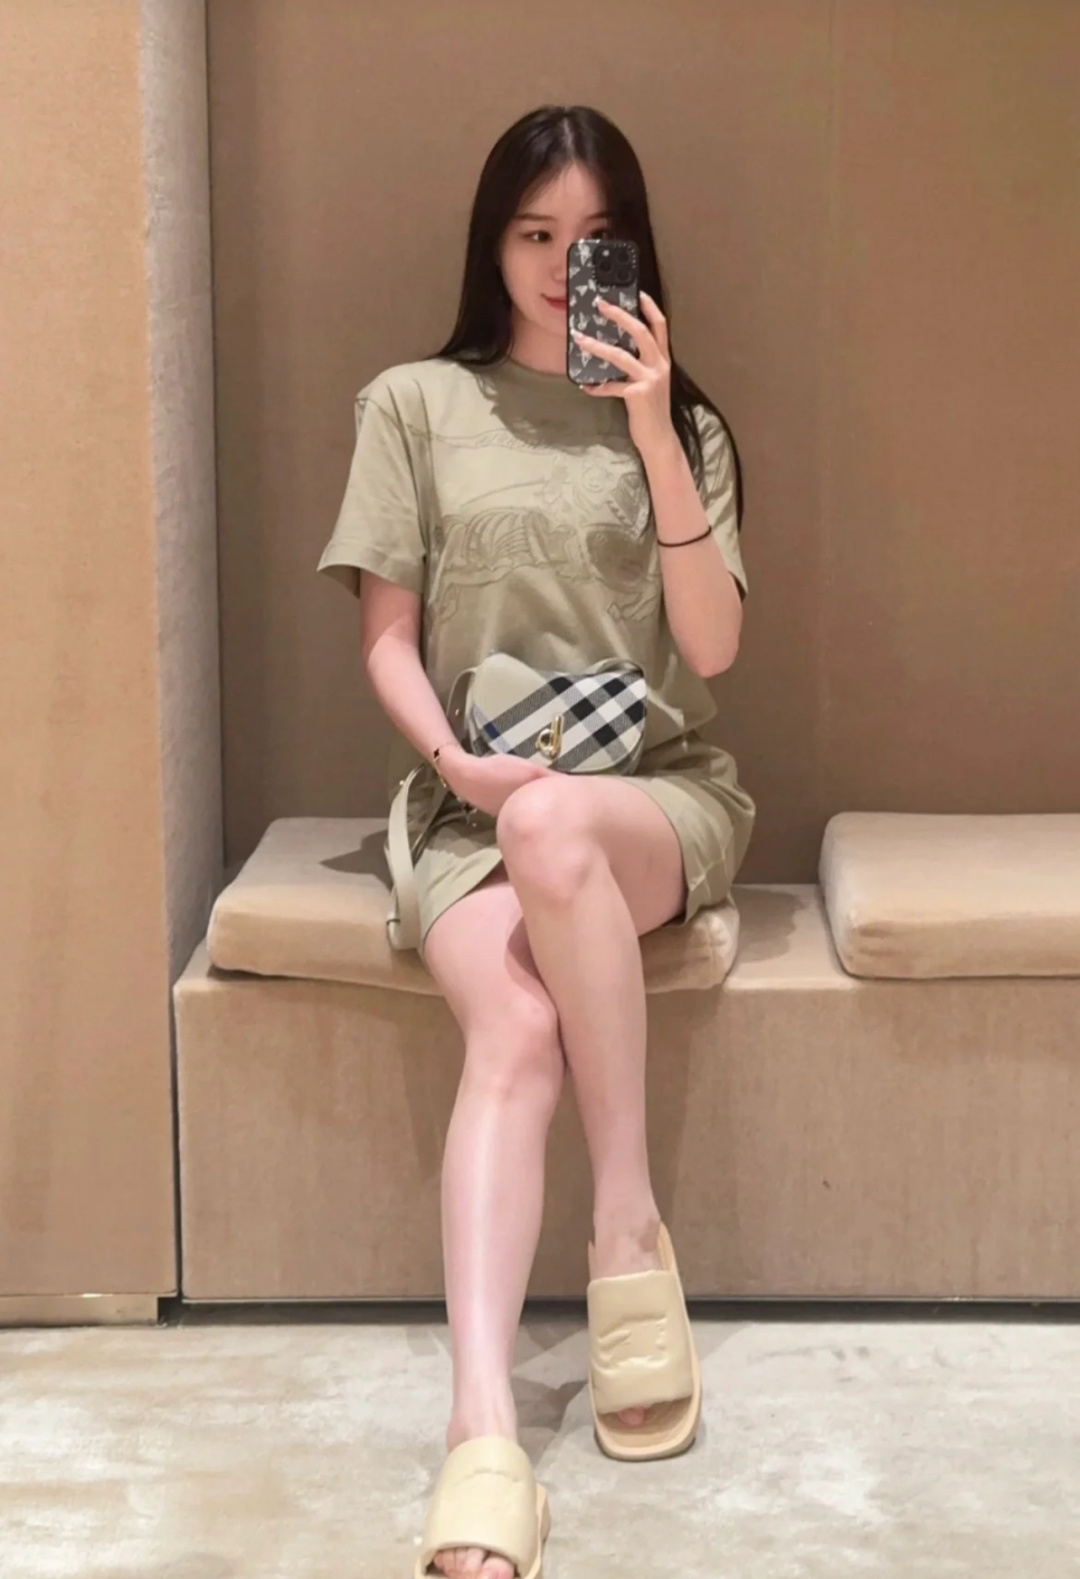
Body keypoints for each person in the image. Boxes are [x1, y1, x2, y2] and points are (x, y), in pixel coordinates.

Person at [318, 104, 755, 1579]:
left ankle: (623, 1224)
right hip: (468, 805)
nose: (565, 264)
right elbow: (387, 638)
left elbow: (715, 647)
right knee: (510, 1027)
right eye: (536, 233)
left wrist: (654, 426)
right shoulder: (412, 406)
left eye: (594, 237)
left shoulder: (685, 425)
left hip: (651, 798)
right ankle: (483, 1430)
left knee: (562, 819)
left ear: (636, 249)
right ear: (492, 241)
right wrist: (457, 764)